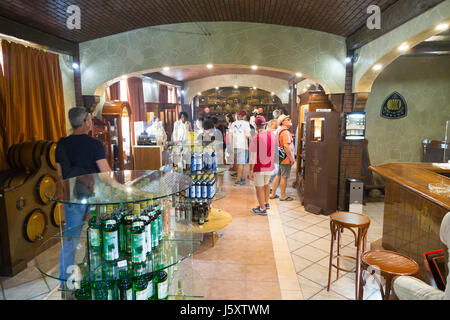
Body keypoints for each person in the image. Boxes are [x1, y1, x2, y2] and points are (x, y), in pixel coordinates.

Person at [55, 107, 111, 291]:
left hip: (72, 197)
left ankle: (64, 282)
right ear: (86, 122)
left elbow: (60, 174)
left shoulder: (61, 144)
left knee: (71, 237)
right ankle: (100, 273)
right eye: (90, 119)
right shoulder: (94, 144)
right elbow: (105, 173)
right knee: (100, 233)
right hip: (94, 195)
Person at [248, 116, 275, 215]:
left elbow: (253, 156)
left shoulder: (256, 138)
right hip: (269, 165)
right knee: (266, 184)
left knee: (259, 187)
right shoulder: (271, 135)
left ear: (256, 125)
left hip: (259, 166)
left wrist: (251, 170)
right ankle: (266, 203)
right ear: (265, 124)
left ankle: (262, 209)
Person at [270, 114, 295, 201]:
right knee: (284, 177)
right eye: (287, 119)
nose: (290, 120)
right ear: (283, 122)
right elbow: (286, 146)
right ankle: (283, 195)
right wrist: (291, 158)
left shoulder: (279, 130)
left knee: (278, 175)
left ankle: (273, 194)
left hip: (279, 157)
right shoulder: (285, 132)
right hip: (285, 158)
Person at [229, 110, 251, 186]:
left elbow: (230, 134)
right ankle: (238, 179)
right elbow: (248, 135)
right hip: (243, 146)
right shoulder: (246, 124)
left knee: (239, 162)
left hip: (235, 146)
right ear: (244, 116)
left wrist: (231, 145)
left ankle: (239, 176)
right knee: (241, 163)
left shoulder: (233, 123)